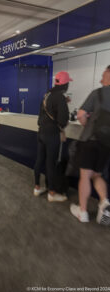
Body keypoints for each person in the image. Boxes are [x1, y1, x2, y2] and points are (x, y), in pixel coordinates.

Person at [70, 65, 110, 224]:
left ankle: (83, 212)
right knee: (97, 175)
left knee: (85, 176)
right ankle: (104, 201)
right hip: (106, 144)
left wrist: (88, 124)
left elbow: (80, 115)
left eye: (104, 73)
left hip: (90, 141)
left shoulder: (98, 93)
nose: (101, 76)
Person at [34, 71, 72, 202]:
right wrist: (64, 104)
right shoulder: (60, 97)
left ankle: (37, 187)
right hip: (52, 135)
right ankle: (51, 193)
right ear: (65, 84)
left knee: (40, 160)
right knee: (51, 163)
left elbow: (42, 115)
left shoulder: (47, 94)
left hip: (41, 132)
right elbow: (63, 120)